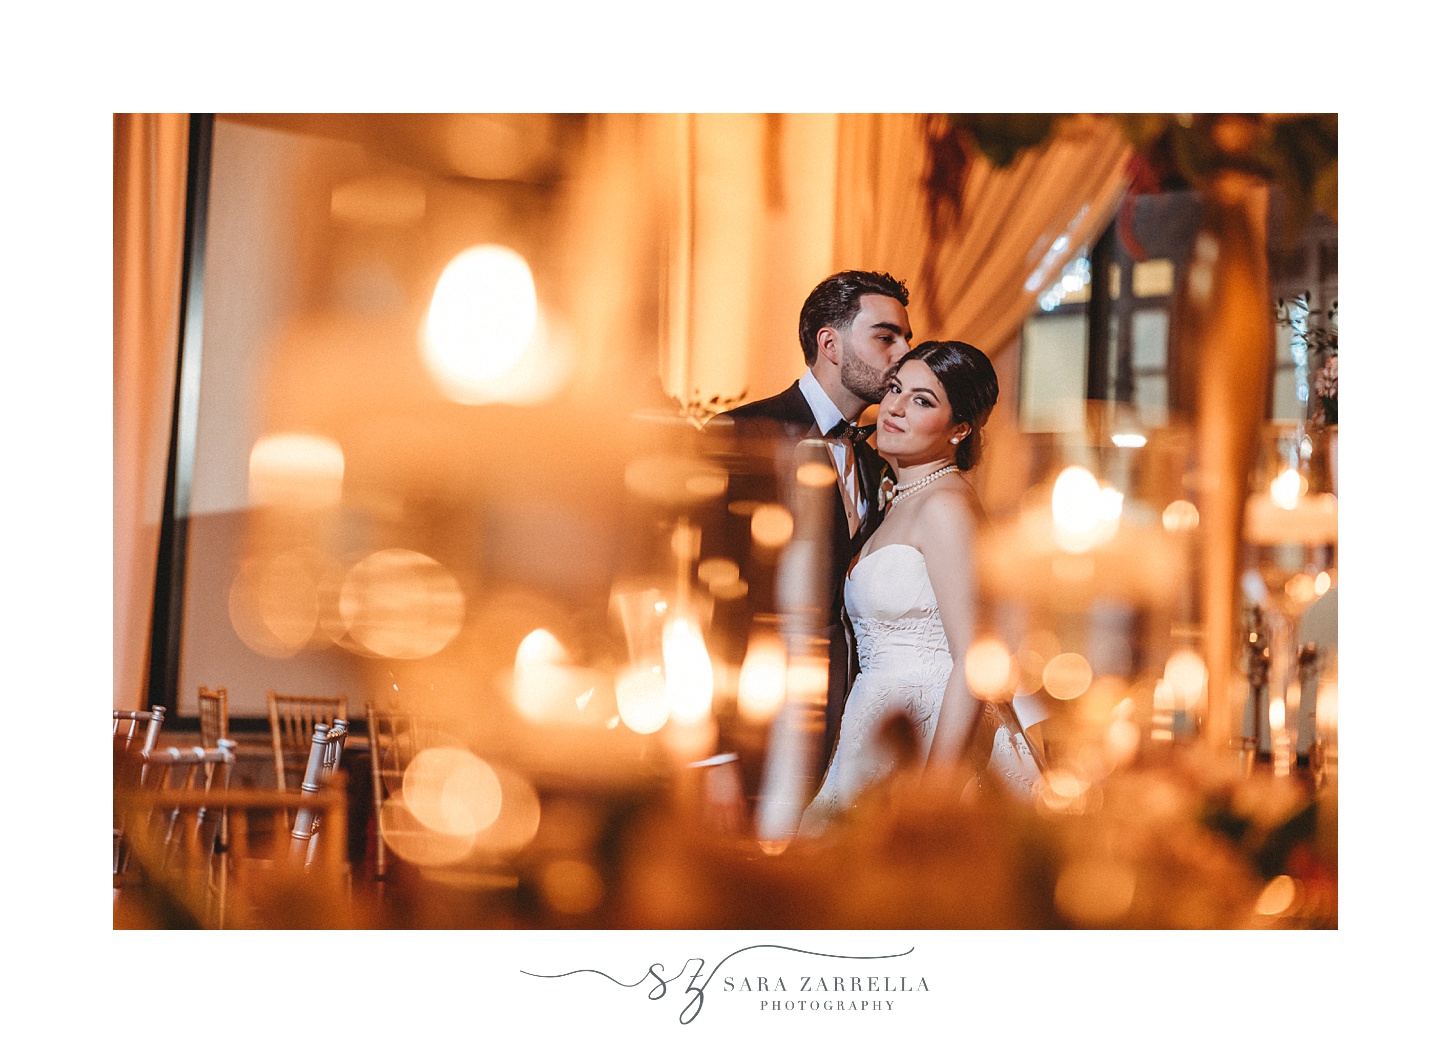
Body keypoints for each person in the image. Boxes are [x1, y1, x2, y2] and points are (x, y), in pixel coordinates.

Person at [798, 340, 1041, 834]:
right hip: (877, 724)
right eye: (894, 389)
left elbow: (975, 656)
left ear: (960, 428)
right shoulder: (902, 498)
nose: (895, 408)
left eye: (923, 400)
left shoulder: (945, 508)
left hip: (935, 729)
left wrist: (937, 784)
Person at [711, 270, 913, 784]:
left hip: (845, 732)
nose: (904, 354)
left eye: (906, 339)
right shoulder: (742, 436)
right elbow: (713, 598)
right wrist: (712, 755)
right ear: (831, 343)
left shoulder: (877, 461)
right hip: (758, 733)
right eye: (886, 337)